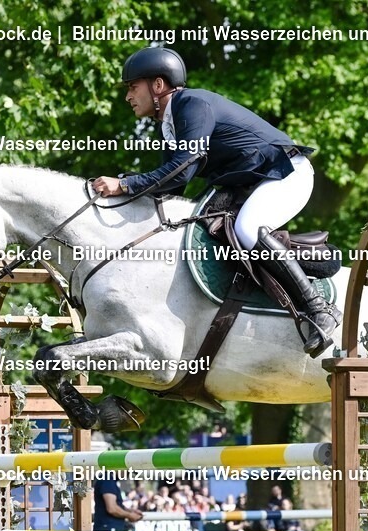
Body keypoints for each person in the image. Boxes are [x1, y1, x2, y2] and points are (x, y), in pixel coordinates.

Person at [93, 47, 341, 357]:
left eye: (132, 86)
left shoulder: (190, 105)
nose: (128, 96)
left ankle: (318, 310)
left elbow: (183, 167)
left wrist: (125, 184)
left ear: (158, 86)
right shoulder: (170, 123)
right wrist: (125, 188)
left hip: (285, 174)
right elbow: (175, 183)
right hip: (251, 183)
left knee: (248, 230)